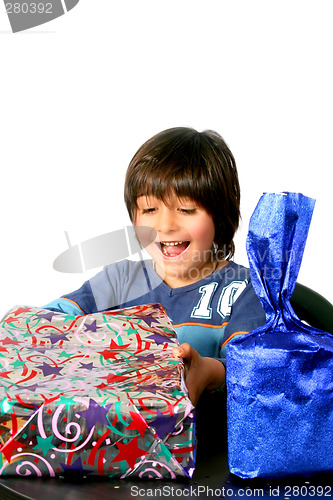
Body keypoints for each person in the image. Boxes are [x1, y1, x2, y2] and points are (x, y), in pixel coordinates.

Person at [44, 127, 266, 405]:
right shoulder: (118, 281)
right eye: (149, 210)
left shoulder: (245, 289)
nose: (165, 226)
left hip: (206, 442)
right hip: (109, 432)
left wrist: (206, 371)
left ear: (219, 217)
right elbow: (45, 326)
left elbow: (257, 373)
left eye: (186, 210)